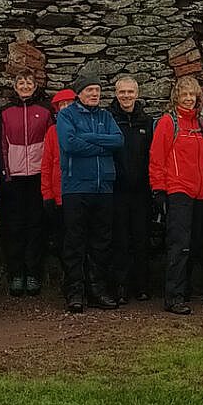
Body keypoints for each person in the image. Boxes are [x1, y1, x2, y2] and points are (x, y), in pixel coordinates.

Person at [56, 66, 124, 313]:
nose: (94, 94)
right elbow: (69, 144)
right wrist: (100, 143)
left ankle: (97, 290)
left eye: (97, 90)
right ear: (79, 93)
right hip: (76, 187)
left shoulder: (106, 117)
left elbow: (118, 141)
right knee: (74, 241)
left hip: (103, 186)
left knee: (101, 242)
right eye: (89, 90)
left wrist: (89, 138)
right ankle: (74, 291)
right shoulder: (66, 116)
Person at [149, 76, 203, 315]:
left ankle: (185, 290)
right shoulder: (168, 122)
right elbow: (157, 157)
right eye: (184, 94)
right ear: (176, 97)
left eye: (192, 95)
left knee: (194, 244)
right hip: (177, 191)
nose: (188, 98)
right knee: (179, 246)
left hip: (199, 191)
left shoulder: (200, 123)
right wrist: (159, 189)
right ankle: (173, 296)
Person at [0, 69, 52, 295]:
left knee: (36, 227)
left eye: (29, 82)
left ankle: (33, 274)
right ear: (15, 86)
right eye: (21, 82)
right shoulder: (6, 112)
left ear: (35, 85)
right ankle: (16, 274)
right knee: (14, 228)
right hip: (15, 178)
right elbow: (2, 145)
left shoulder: (45, 111)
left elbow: (51, 145)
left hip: (38, 176)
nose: (25, 86)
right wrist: (6, 173)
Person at [109, 73, 154, 303]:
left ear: (137, 94)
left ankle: (142, 286)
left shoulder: (147, 122)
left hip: (141, 190)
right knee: (120, 240)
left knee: (141, 238)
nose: (126, 96)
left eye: (130, 92)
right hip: (116, 189)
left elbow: (152, 156)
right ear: (116, 94)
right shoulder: (108, 119)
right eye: (122, 92)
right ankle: (120, 287)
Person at [40, 88, 76, 277]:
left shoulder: (85, 127)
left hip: (80, 193)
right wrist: (47, 194)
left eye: (69, 104)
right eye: (62, 105)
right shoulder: (52, 132)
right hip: (59, 195)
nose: (65, 108)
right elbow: (46, 165)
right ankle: (68, 279)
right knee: (62, 241)